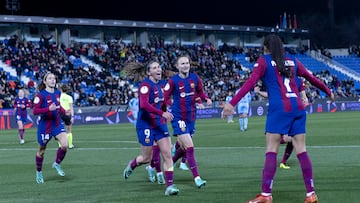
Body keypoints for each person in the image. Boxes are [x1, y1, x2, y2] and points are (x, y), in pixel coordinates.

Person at [222, 34, 334, 203]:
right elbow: (311, 78)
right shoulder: (292, 61)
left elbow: (251, 82)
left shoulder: (264, 60)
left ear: (266, 48)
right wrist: (328, 91)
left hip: (279, 109)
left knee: (271, 149)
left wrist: (232, 103)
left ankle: (266, 194)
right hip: (298, 108)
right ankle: (311, 193)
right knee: (301, 150)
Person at [122, 60, 179, 196]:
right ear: (148, 72)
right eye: (154, 68)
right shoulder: (145, 86)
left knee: (167, 155)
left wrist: (167, 113)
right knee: (147, 158)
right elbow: (144, 105)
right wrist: (162, 113)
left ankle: (170, 186)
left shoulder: (162, 85)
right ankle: (133, 164)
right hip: (145, 125)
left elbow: (164, 102)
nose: (158, 69)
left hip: (159, 124)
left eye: (159, 66)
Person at [163, 54, 212, 188]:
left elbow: (200, 92)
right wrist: (169, 107)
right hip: (178, 117)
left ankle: (168, 166)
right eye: (182, 63)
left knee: (183, 149)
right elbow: (165, 97)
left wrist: (206, 99)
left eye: (187, 63)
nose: (185, 65)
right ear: (177, 66)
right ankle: (197, 178)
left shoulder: (195, 78)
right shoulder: (173, 81)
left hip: (191, 117)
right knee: (190, 147)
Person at [33, 72, 71, 184]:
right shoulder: (40, 95)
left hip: (57, 124)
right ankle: (39, 172)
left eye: (54, 78)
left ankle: (57, 163)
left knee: (64, 145)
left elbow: (58, 108)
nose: (53, 80)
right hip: (45, 126)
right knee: (41, 151)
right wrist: (47, 109)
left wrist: (65, 112)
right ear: (45, 82)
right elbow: (35, 111)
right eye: (50, 78)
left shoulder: (58, 93)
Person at [60, 84, 75, 149]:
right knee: (69, 130)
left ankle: (60, 145)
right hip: (67, 114)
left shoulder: (58, 97)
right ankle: (70, 145)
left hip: (60, 114)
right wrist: (72, 116)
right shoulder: (69, 97)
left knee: (59, 131)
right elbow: (71, 108)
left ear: (61, 89)